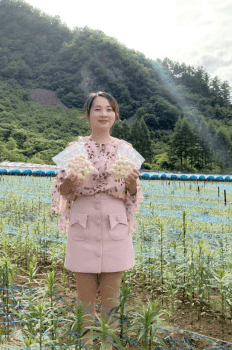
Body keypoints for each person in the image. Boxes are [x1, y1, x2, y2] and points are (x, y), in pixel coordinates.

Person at [51, 91, 144, 349]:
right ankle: (88, 344)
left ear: (116, 115)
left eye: (109, 109)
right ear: (87, 114)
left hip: (116, 227)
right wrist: (69, 182)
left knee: (112, 299)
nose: (104, 114)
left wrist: (131, 184)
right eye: (98, 109)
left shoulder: (126, 150)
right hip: (83, 225)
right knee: (86, 299)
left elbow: (135, 197)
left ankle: (109, 345)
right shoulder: (75, 150)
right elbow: (62, 194)